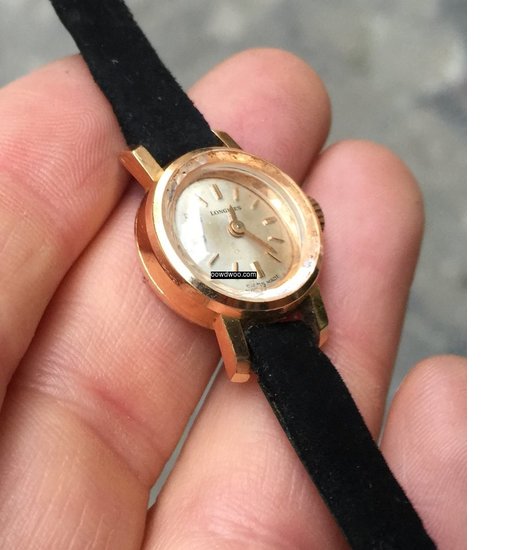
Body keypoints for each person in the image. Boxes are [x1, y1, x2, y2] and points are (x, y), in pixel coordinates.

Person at [0, 49, 466, 548]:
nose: (238, 227)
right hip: (232, 291)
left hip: (272, 284)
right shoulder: (160, 183)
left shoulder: (258, 220)